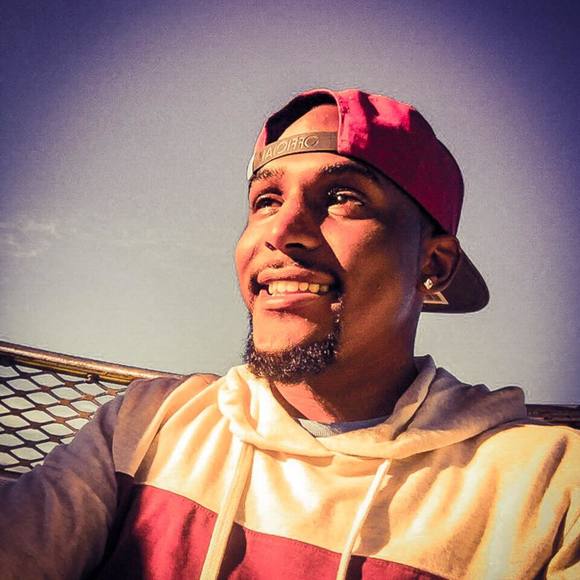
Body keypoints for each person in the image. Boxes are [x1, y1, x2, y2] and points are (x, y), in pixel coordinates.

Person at [1, 89, 578, 579]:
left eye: (342, 198)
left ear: (434, 264)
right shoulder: (146, 426)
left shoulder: (549, 490)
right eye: (266, 200)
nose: (282, 230)